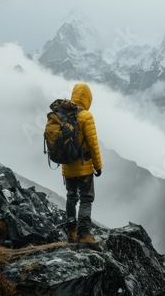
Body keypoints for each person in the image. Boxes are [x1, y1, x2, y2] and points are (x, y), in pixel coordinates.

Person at [62, 82, 103, 249]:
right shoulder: (86, 116)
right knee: (86, 198)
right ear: (87, 98)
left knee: (71, 197)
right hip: (84, 165)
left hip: (67, 166)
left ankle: (71, 232)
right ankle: (84, 234)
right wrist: (98, 165)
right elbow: (93, 144)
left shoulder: (62, 114)